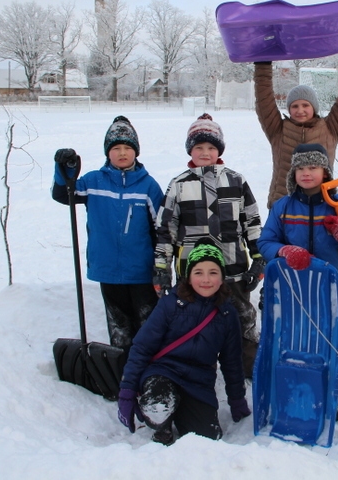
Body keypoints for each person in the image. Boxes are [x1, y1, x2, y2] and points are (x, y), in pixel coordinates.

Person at [257, 143, 338, 420]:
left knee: (332, 340)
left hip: (331, 289)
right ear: (293, 174)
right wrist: (284, 251)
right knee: (294, 339)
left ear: (325, 172)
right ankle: (296, 387)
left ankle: (335, 390)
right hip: (293, 290)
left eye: (313, 167)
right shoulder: (283, 207)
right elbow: (266, 241)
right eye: (300, 168)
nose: (306, 173)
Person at [153, 113, 264, 377]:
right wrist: (161, 267)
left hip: (233, 269)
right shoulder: (179, 185)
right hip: (193, 273)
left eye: (211, 147)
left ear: (219, 150)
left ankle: (248, 367)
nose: (205, 153)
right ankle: (197, 370)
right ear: (190, 150)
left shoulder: (236, 181)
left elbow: (252, 222)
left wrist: (259, 258)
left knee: (242, 319)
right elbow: (165, 230)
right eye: (199, 147)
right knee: (195, 322)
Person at [117, 239, 250, 445]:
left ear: (222, 277)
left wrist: (237, 399)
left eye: (213, 272)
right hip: (163, 373)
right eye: (198, 272)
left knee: (207, 439)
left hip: (198, 382)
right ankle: (161, 426)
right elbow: (142, 347)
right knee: (159, 405)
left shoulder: (227, 314)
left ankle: (181, 411)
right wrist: (127, 392)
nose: (206, 279)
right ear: (188, 276)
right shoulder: (170, 304)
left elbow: (231, 361)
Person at [52, 115, 165, 350]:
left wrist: (160, 265)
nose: (122, 153)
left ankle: (150, 365)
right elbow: (63, 194)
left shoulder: (148, 186)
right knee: (119, 326)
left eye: (127, 148)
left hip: (141, 270)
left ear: (136, 152)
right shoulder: (94, 181)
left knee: (148, 325)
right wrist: (65, 168)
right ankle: (121, 366)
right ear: (107, 152)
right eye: (116, 148)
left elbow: (161, 228)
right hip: (107, 268)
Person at [253, 43, 338, 209]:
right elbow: (264, 100)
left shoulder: (330, 128)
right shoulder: (277, 129)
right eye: (294, 106)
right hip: (283, 205)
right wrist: (263, 64)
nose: (300, 110)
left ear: (314, 107)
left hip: (322, 205)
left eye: (305, 105)